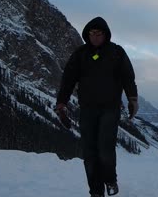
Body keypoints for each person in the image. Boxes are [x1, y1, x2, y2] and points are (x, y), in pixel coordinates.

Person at [55, 16, 138, 196]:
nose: (95, 37)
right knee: (90, 152)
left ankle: (109, 179)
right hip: (87, 109)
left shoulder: (117, 52)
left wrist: (133, 98)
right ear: (87, 35)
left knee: (105, 148)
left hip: (110, 108)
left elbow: (127, 77)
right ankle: (96, 191)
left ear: (105, 34)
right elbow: (68, 80)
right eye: (92, 34)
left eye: (98, 33)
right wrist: (61, 102)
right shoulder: (80, 54)